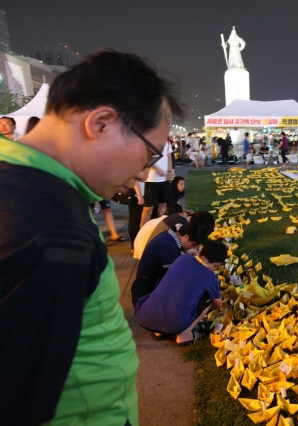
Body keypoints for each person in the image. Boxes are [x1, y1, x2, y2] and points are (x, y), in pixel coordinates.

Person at [0, 49, 183, 425]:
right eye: (149, 157)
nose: (141, 176)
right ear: (101, 123)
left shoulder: (34, 190)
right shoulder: (42, 225)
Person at [133, 239, 227, 346]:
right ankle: (185, 335)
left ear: (200, 252)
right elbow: (218, 305)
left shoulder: (181, 258)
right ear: (217, 264)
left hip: (144, 318)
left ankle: (158, 332)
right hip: (175, 325)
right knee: (209, 299)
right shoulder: (211, 277)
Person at [135, 211, 214, 286]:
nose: (192, 247)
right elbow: (177, 275)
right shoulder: (169, 247)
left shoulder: (173, 234)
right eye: (193, 244)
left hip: (150, 281)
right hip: (146, 289)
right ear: (186, 237)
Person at [140, 137, 174, 228]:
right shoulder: (150, 139)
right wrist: (157, 169)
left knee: (163, 204)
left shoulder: (166, 140)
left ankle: (159, 228)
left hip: (164, 179)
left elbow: (169, 157)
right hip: (151, 180)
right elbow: (147, 158)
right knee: (148, 208)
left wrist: (169, 172)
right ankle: (142, 230)